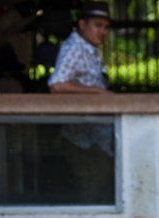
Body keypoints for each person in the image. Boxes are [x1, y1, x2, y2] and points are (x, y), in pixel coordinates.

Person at [48, 1, 114, 203]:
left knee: (100, 185)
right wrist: (97, 92)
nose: (102, 32)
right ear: (82, 25)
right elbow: (57, 84)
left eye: (105, 27)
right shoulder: (75, 48)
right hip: (82, 139)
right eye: (97, 25)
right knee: (92, 189)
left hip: (95, 137)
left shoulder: (89, 49)